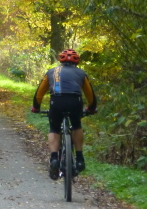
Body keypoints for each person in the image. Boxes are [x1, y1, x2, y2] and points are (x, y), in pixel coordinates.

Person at [31, 49, 97, 180]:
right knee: (76, 126)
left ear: (60, 60)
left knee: (54, 128)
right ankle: (79, 158)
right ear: (76, 62)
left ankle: (54, 158)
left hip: (57, 101)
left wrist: (36, 107)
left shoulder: (51, 72)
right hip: (75, 101)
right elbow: (90, 95)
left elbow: (39, 93)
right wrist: (91, 108)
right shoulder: (81, 73)